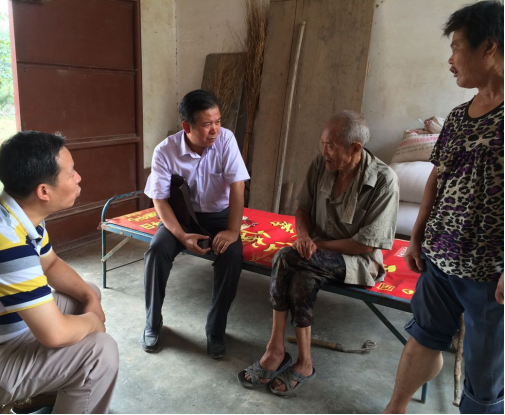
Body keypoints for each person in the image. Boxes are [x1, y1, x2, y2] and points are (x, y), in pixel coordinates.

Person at [383, 2, 504, 414]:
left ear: (489, 47)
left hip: (490, 273)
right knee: (423, 337)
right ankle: (395, 408)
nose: (450, 61)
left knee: (484, 379)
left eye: (456, 47)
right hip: (439, 258)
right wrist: (417, 237)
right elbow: (437, 178)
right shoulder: (457, 116)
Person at [0, 131, 119, 414]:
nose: (78, 178)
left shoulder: (13, 211)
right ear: (44, 191)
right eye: (71, 173)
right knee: (99, 353)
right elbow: (54, 334)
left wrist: (90, 300)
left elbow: (50, 264)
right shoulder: (6, 244)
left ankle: (44, 392)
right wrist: (93, 321)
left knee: (86, 292)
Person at [239, 110, 399, 396]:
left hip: (357, 261)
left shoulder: (384, 180)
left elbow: (366, 245)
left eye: (331, 146)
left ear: (355, 148)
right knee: (301, 279)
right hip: (315, 254)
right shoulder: (320, 164)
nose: (324, 151)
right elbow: (302, 209)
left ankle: (275, 350)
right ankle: (303, 363)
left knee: (285, 257)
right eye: (322, 143)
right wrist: (303, 238)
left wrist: (315, 246)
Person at [142, 89, 250, 359]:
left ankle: (216, 330)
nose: (215, 130)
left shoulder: (226, 140)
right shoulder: (165, 151)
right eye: (206, 124)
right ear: (187, 126)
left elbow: (237, 187)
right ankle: (152, 322)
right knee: (156, 251)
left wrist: (232, 230)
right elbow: (159, 200)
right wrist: (181, 235)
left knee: (232, 255)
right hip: (181, 217)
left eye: (218, 122)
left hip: (219, 216)